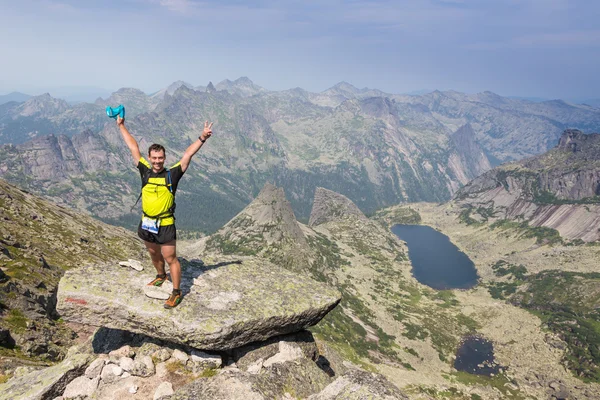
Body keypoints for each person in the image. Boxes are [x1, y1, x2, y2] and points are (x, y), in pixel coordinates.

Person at [117, 115, 213, 308]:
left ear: (164, 158)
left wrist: (202, 137)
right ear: (150, 158)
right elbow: (133, 147)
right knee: (153, 254)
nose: (157, 161)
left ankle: (176, 292)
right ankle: (160, 276)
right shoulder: (144, 170)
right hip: (147, 222)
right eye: (154, 158)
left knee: (170, 258)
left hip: (166, 224)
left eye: (160, 158)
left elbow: (187, 155)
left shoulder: (172, 174)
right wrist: (121, 126)